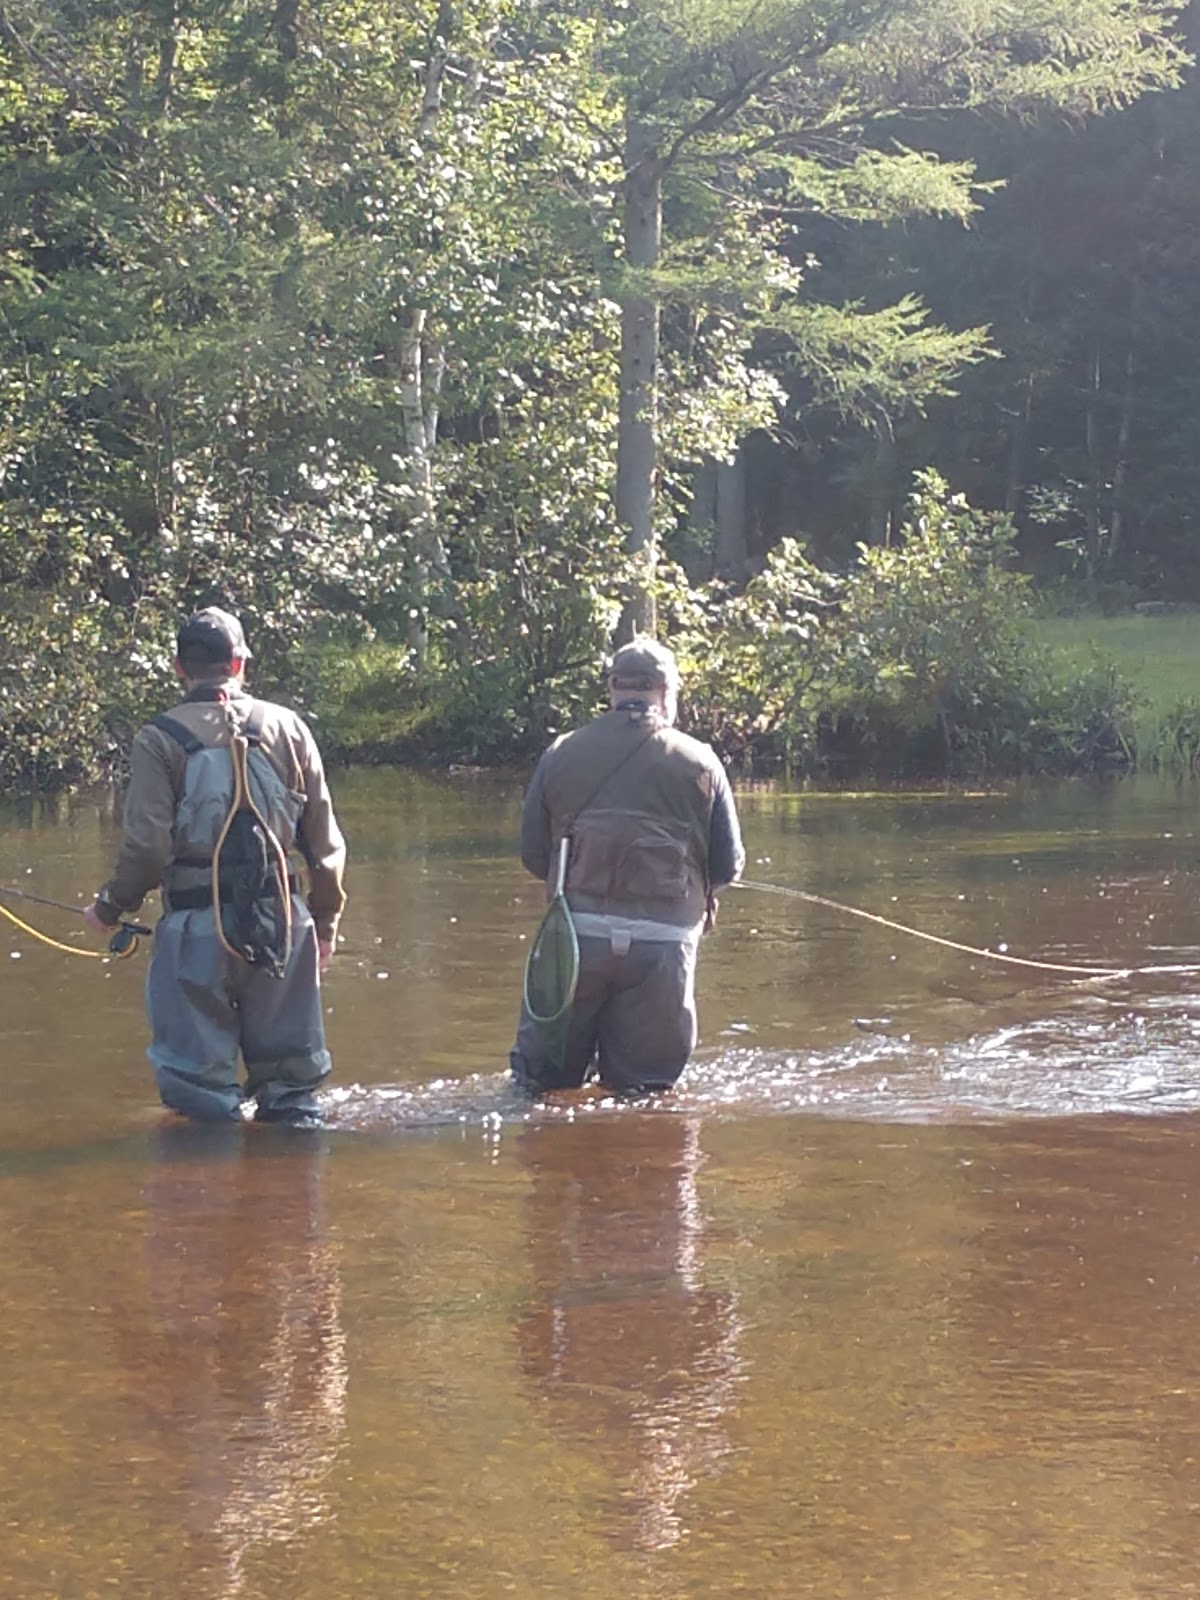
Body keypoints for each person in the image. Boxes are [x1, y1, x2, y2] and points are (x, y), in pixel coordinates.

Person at [85, 606, 347, 1125]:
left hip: (195, 927)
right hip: (283, 926)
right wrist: (324, 924)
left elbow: (147, 849)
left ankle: (211, 1194)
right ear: (241, 661)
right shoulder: (288, 727)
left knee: (200, 1095)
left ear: (179, 667)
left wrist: (110, 908)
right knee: (293, 1095)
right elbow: (325, 843)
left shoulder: (158, 738)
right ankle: (291, 1197)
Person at [511, 637, 744, 1095]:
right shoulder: (701, 761)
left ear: (613, 689)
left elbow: (533, 854)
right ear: (666, 691)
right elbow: (728, 865)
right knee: (646, 1097)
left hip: (574, 942)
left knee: (538, 1090)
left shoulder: (561, 752)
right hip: (664, 947)